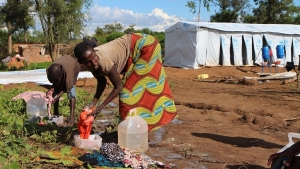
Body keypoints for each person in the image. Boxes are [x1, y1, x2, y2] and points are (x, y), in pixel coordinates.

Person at [74, 33, 178, 131]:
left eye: (94, 57)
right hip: (136, 46)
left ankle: (134, 130)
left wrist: (101, 107)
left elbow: (118, 87)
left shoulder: (103, 61)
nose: (94, 63)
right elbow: (102, 82)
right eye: (89, 62)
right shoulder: (91, 62)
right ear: (81, 63)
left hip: (146, 46)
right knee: (132, 92)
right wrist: (93, 104)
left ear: (95, 52)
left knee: (128, 94)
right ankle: (131, 129)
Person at [46, 55, 81, 125]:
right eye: (54, 80)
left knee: (71, 92)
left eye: (57, 80)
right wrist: (52, 89)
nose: (56, 82)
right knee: (55, 92)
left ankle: (72, 117)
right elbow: (54, 84)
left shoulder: (68, 73)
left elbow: (68, 87)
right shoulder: (49, 71)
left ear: (61, 74)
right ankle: (56, 113)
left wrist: (59, 95)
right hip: (64, 64)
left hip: (74, 67)